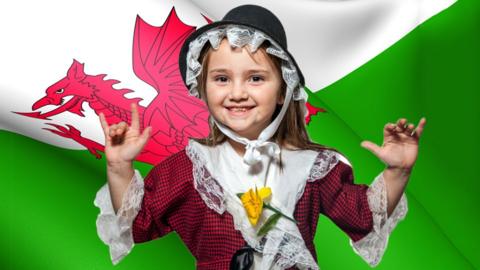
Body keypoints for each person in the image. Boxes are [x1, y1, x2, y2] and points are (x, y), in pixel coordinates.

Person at [94, 4, 426, 270]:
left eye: (255, 78)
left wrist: (398, 172)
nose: (237, 93)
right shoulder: (190, 169)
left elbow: (363, 219)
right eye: (222, 78)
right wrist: (120, 169)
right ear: (203, 87)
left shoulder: (312, 167)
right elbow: (135, 225)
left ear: (283, 90)